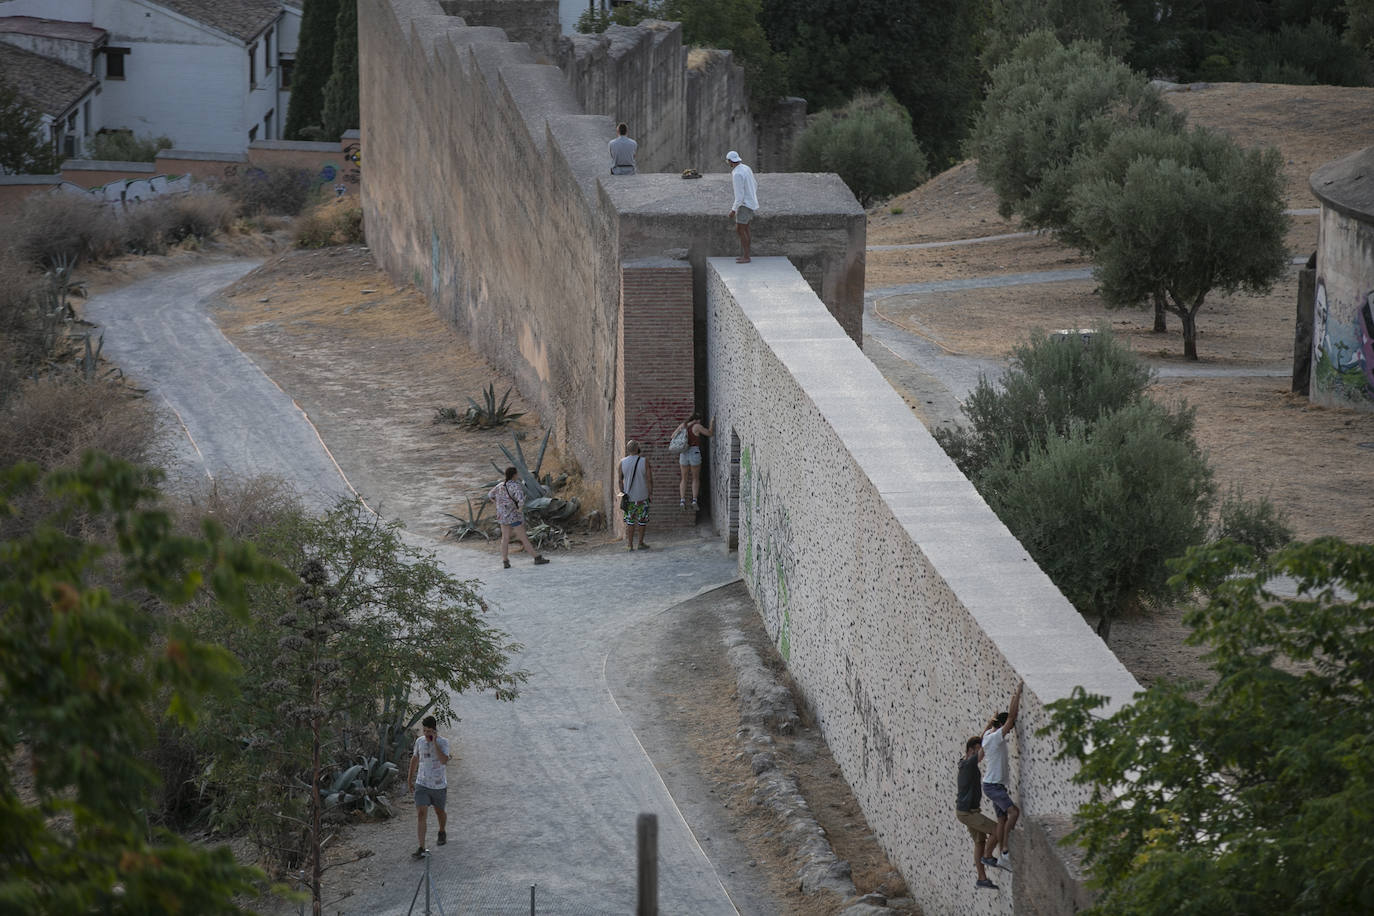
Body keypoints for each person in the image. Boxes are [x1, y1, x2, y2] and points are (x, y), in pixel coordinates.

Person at [981, 680, 1024, 870]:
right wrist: (1017, 694)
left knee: (1002, 819)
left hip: (993, 785)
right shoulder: (994, 738)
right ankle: (1005, 850)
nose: (1008, 730)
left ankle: (997, 854)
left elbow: (998, 723)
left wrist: (994, 718)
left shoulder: (987, 736)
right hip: (993, 786)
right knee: (1014, 812)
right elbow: (1012, 718)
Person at [956, 735, 1001, 890]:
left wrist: (989, 726)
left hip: (966, 812)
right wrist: (994, 732)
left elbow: (981, 745)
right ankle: (988, 856)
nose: (980, 753)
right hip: (969, 813)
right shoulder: (968, 764)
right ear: (970, 750)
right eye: (976, 750)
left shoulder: (964, 761)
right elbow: (983, 750)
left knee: (979, 842)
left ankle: (982, 879)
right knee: (997, 830)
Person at [487, 466, 550, 569]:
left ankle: (505, 561)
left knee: (505, 538)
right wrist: (519, 510)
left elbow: (490, 495)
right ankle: (536, 557)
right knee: (523, 538)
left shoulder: (499, 485)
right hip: (514, 516)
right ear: (514, 475)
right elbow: (521, 501)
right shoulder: (516, 486)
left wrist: (498, 505)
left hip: (502, 516)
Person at [407, 716, 451, 859]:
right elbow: (415, 759)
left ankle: (442, 831)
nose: (426, 734)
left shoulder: (443, 742)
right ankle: (421, 847)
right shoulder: (419, 741)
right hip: (422, 784)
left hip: (438, 786)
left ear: (435, 730)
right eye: (425, 731)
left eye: (429, 731)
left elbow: (444, 760)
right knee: (421, 814)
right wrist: (410, 778)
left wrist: (435, 743)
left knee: (440, 812)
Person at [673, 412, 714, 510]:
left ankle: (682, 501)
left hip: (683, 453)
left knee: (684, 478)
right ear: (698, 420)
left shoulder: (683, 425)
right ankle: (694, 500)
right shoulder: (697, 426)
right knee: (695, 478)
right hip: (694, 452)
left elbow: (672, 436)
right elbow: (710, 433)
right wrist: (712, 422)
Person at [617, 439, 653, 550]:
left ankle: (629, 545)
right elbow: (649, 479)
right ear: (637, 448)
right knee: (642, 521)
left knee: (630, 522)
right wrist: (650, 492)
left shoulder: (622, 462)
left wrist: (623, 493)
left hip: (630, 498)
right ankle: (641, 543)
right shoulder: (644, 461)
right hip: (642, 497)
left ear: (628, 450)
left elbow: (619, 480)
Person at [725, 150, 758, 263]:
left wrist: (733, 210)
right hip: (751, 203)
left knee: (740, 230)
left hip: (744, 205)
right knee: (746, 229)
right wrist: (752, 197)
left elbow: (739, 195)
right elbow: (755, 184)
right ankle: (746, 255)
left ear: (730, 161)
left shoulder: (736, 174)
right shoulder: (746, 167)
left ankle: (746, 257)